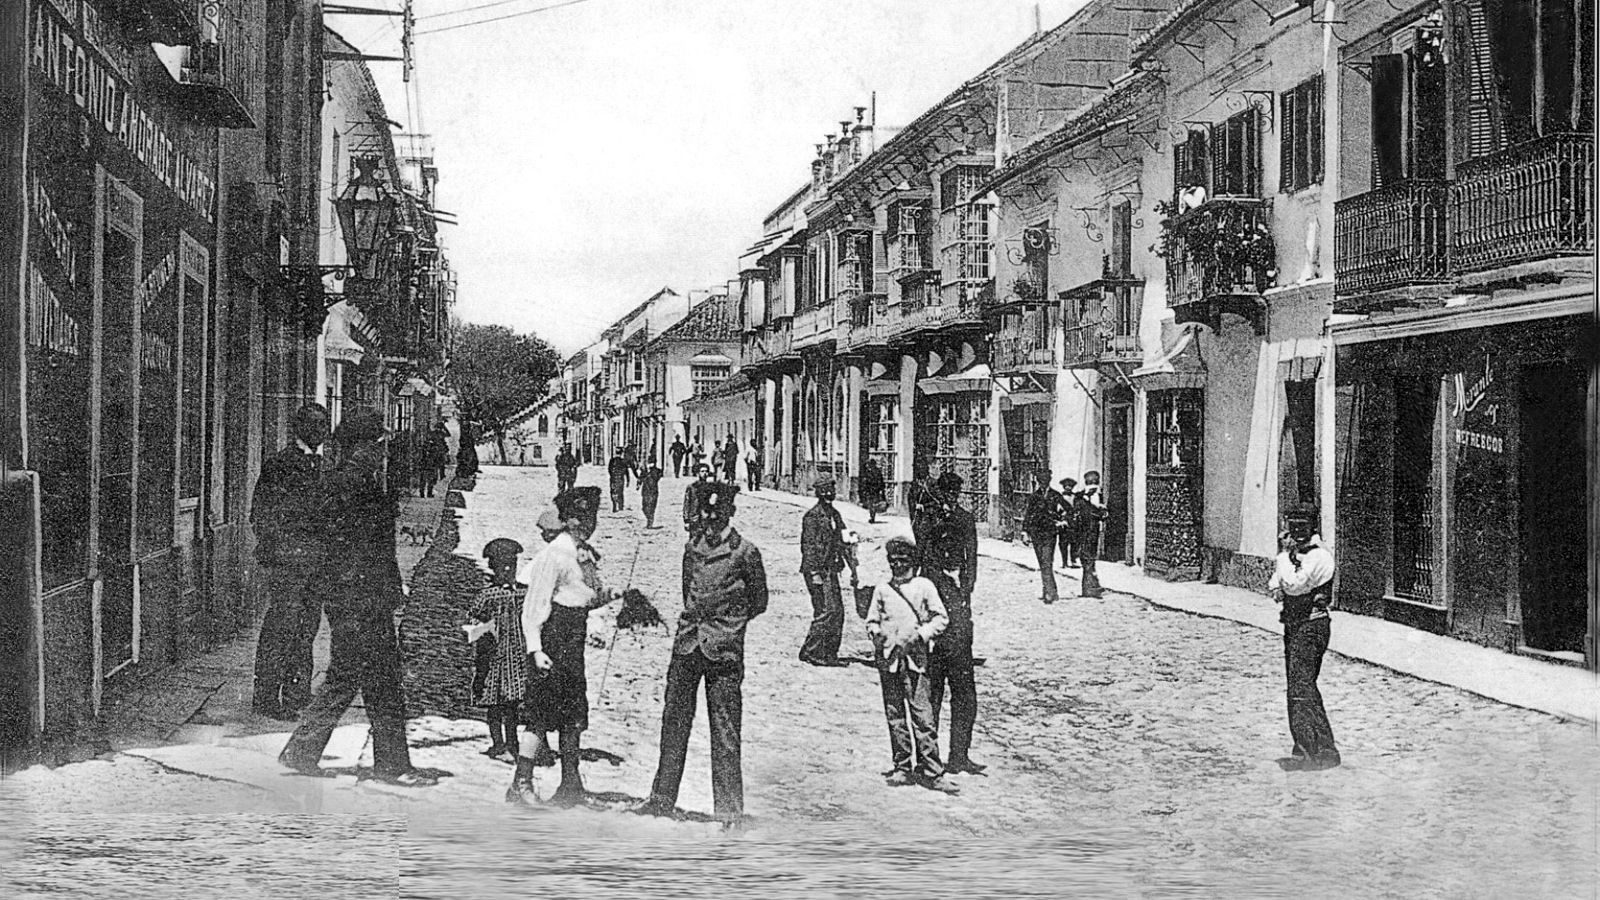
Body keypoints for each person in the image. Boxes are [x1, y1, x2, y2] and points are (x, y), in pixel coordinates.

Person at [278, 409, 438, 787]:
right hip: (358, 597)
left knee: (374, 678)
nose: (384, 452)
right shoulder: (350, 485)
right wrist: (377, 590)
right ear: (360, 447)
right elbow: (350, 548)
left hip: (363, 595)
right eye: (378, 444)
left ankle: (315, 753)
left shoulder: (355, 480)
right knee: (358, 676)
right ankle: (384, 763)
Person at [636, 482, 768, 826]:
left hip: (722, 651)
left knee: (725, 731)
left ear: (730, 513)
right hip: (687, 646)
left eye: (717, 513)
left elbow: (759, 601)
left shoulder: (746, 553)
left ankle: (728, 811)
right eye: (706, 513)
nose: (710, 519)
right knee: (673, 722)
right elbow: (686, 592)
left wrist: (728, 625)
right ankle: (661, 799)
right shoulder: (692, 548)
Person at [506, 495, 620, 806]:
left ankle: (570, 783)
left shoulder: (584, 556)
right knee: (540, 715)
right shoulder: (552, 556)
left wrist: (610, 595)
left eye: (591, 520)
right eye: (579, 520)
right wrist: (535, 649)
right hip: (552, 638)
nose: (587, 526)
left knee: (573, 715)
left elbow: (586, 597)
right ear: (566, 521)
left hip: (574, 639)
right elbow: (534, 607)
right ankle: (520, 783)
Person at [251, 403, 331, 720]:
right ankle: (267, 697)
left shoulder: (326, 465)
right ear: (298, 428)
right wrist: (282, 549)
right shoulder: (279, 465)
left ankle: (298, 694)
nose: (319, 430)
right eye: (312, 424)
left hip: (318, 563)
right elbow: (261, 513)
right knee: (281, 628)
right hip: (288, 562)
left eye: (323, 424)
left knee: (307, 628)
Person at [866, 537, 958, 793]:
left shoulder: (924, 586)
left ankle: (933, 770)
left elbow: (941, 618)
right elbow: (871, 620)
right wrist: (876, 634)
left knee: (922, 716)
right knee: (895, 715)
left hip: (916, 661)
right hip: (889, 660)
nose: (898, 565)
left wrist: (921, 635)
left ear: (912, 562)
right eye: (893, 561)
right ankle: (902, 766)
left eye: (903, 560)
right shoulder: (882, 589)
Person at [912, 472, 984, 775]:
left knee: (965, 691)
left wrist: (966, 588)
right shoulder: (927, 518)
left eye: (956, 492)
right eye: (947, 492)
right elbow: (922, 550)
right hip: (934, 612)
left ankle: (960, 755)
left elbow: (972, 557)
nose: (952, 497)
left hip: (959, 615)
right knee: (931, 692)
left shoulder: (965, 519)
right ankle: (929, 757)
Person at [1269, 505, 1340, 771]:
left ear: (1312, 527)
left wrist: (1281, 562)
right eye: (1293, 526)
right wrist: (1279, 579)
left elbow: (1295, 585)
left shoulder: (1318, 557)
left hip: (1311, 627)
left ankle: (1321, 751)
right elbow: (1276, 584)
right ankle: (1306, 749)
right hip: (1295, 625)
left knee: (1302, 687)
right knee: (1298, 688)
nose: (1296, 532)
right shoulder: (1295, 555)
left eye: (1302, 527)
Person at [470, 538, 527, 761]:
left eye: (511, 566)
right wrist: (483, 630)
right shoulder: (487, 596)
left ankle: (512, 744)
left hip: (517, 657)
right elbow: (471, 622)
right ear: (493, 568)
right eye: (502, 567)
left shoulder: (524, 593)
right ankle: (498, 743)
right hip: (494, 657)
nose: (507, 571)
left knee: (512, 703)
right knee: (493, 702)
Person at [799, 475, 855, 667]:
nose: (829, 495)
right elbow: (808, 547)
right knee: (827, 611)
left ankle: (829, 653)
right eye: (825, 492)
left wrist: (852, 563)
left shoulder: (835, 514)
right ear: (819, 494)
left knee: (837, 612)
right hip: (817, 571)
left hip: (831, 569)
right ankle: (812, 651)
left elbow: (843, 538)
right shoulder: (812, 517)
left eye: (831, 491)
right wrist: (814, 574)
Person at [1022, 476, 1073, 604]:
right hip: (1036, 532)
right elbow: (1028, 514)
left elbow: (1070, 509)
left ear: (1049, 481)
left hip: (1050, 532)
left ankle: (1050, 592)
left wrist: (1064, 521)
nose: (1043, 484)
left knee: (1047, 561)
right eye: (1041, 481)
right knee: (1042, 562)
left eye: (1045, 481)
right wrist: (1025, 532)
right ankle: (1049, 590)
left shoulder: (1055, 495)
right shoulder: (1034, 496)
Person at [1075, 471, 1108, 598]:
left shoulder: (1097, 495)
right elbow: (1083, 512)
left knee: (1088, 559)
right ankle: (1090, 587)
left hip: (1091, 531)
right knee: (1088, 559)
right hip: (1085, 531)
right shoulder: (1083, 497)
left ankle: (1090, 586)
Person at [683, 463, 714, 538]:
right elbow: (686, 504)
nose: (705, 473)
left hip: (706, 519)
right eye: (702, 471)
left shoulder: (710, 487)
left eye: (706, 471)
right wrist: (686, 521)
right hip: (694, 519)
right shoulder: (691, 487)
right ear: (698, 473)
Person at [858, 459, 888, 524]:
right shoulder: (877, 471)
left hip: (871, 490)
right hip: (875, 490)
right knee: (873, 504)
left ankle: (872, 517)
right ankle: (872, 516)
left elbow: (866, 481)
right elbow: (881, 481)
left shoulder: (870, 472)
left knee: (871, 504)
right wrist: (881, 489)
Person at [639, 458, 665, 528]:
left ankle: (650, 522)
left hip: (653, 492)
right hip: (645, 492)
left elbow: (658, 476)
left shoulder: (656, 471)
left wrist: (652, 471)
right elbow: (640, 478)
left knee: (651, 508)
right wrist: (638, 484)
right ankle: (649, 520)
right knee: (644, 508)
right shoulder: (644, 471)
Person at [607, 448, 631, 512]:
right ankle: (620, 506)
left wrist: (612, 475)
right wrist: (628, 481)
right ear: (621, 453)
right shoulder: (623, 461)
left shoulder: (612, 460)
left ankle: (614, 505)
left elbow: (609, 470)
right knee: (620, 492)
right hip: (620, 479)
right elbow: (627, 472)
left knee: (613, 492)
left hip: (613, 479)